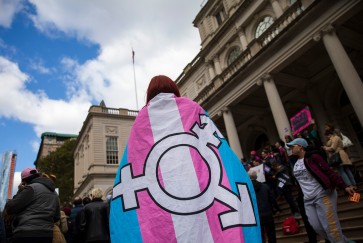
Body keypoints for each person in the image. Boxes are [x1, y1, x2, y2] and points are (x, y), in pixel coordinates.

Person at [110, 75, 261, 242]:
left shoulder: (141, 119)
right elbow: (217, 148)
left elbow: (134, 161)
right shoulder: (192, 107)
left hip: (161, 199)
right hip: (198, 188)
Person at [287, 138, 355, 243]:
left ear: (300, 146)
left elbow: (329, 171)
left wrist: (344, 186)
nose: (290, 148)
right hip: (308, 200)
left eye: (292, 146)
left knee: (330, 227)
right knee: (317, 227)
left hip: (322, 195)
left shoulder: (314, 157)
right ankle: (344, 241)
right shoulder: (295, 163)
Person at [5, 167, 60, 243]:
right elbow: (57, 217)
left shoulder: (30, 189)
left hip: (26, 233)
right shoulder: (54, 193)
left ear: (24, 181)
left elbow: (10, 208)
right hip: (47, 235)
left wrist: (19, 191)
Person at [248, 170, 279, 243]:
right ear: (256, 176)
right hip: (267, 213)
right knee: (271, 233)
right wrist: (277, 209)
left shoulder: (248, 189)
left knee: (261, 235)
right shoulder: (265, 186)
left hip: (256, 216)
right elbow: (272, 199)